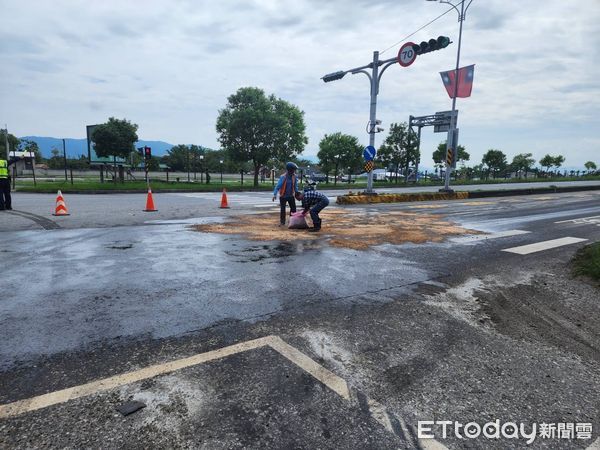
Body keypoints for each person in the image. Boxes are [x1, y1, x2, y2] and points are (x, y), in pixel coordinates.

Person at [272, 162, 300, 226]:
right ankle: (282, 222)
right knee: (283, 209)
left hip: (291, 195)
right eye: (293, 169)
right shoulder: (283, 177)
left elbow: (295, 186)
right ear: (289, 169)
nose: (294, 171)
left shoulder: (294, 176)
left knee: (293, 209)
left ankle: (292, 221)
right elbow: (278, 186)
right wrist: (274, 194)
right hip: (283, 196)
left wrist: (297, 192)